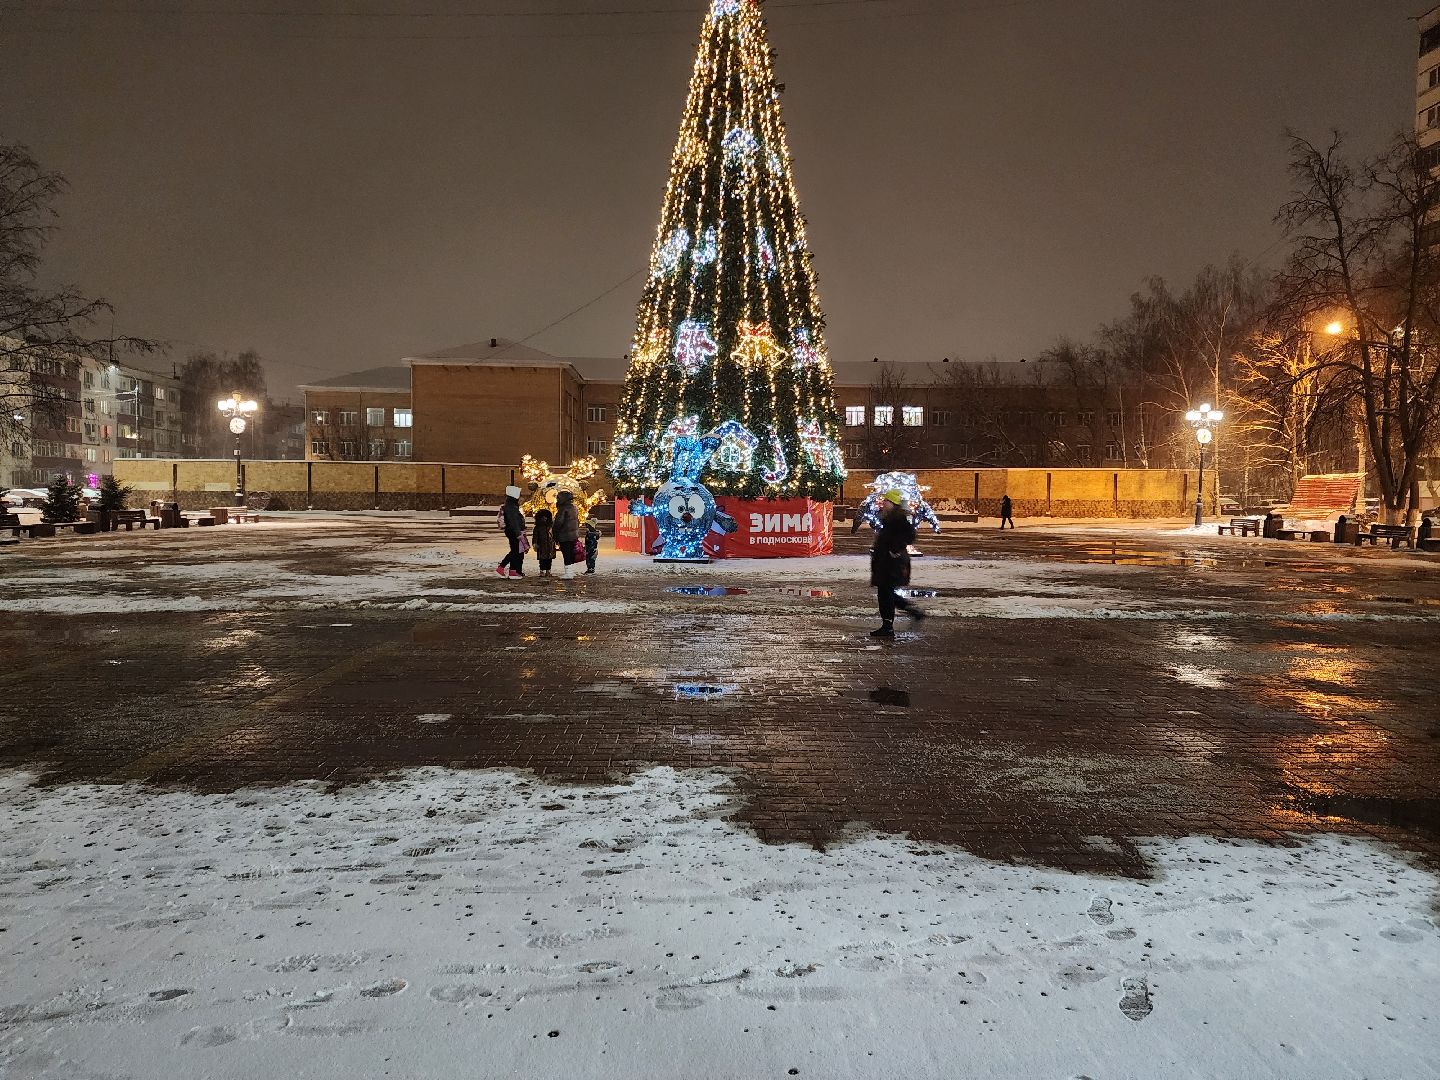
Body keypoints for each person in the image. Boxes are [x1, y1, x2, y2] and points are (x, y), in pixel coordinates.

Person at [870, 489, 926, 639]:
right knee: (886, 593)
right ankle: (908, 614)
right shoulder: (889, 518)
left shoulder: (898, 518)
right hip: (886, 562)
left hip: (892, 563)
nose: (883, 503)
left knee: (886, 594)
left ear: (893, 503)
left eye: (886, 501)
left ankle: (888, 627)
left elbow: (909, 535)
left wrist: (894, 550)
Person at [497, 485, 527, 578]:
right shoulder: (512, 507)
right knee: (515, 551)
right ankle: (505, 568)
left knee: (516, 551)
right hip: (514, 532)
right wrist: (518, 533)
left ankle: (511, 570)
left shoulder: (511, 506)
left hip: (512, 531)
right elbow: (514, 522)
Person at [553, 489, 581, 579]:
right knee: (571, 553)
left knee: (566, 554)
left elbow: (559, 522)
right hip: (573, 535)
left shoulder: (563, 509)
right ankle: (571, 571)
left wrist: (555, 532)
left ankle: (568, 573)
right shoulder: (574, 508)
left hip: (565, 535)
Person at [532, 507, 557, 578]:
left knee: (549, 559)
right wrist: (535, 543)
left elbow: (554, 534)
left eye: (546, 517)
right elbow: (535, 536)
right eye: (543, 517)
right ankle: (542, 571)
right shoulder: (537, 527)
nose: (544, 519)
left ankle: (548, 571)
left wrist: (557, 541)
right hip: (541, 546)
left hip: (550, 545)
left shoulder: (551, 526)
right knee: (542, 560)